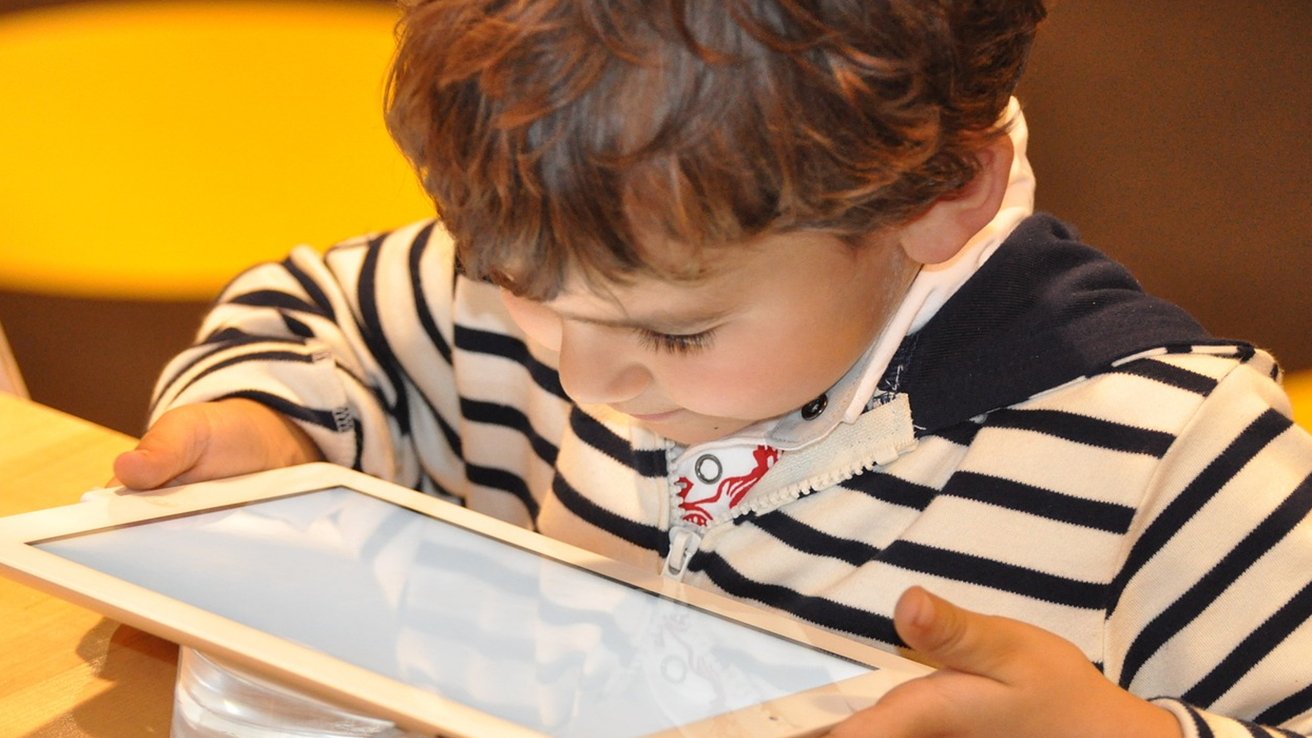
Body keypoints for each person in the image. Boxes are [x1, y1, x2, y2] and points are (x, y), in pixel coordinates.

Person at [112, 1, 1312, 736]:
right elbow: (326, 317)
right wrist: (267, 421)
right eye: (521, 291)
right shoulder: (593, 265)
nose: (586, 378)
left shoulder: (1172, 455)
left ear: (942, 198)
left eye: (677, 337)